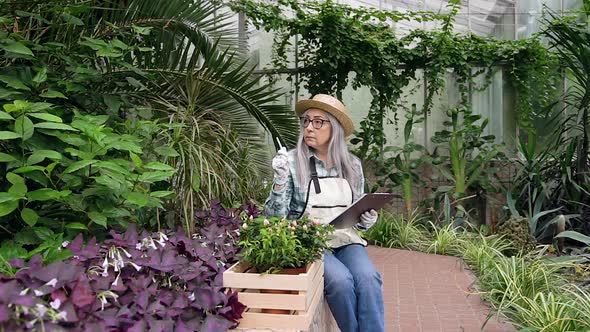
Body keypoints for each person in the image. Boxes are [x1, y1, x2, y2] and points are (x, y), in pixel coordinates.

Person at [264, 94, 385, 332]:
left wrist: (367, 220)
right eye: (306, 121)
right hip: (310, 241)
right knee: (340, 281)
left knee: (369, 278)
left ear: (335, 128)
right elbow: (275, 219)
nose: (309, 127)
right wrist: (279, 182)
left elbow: (358, 215)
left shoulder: (352, 165)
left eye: (318, 122)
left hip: (346, 239)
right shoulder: (290, 162)